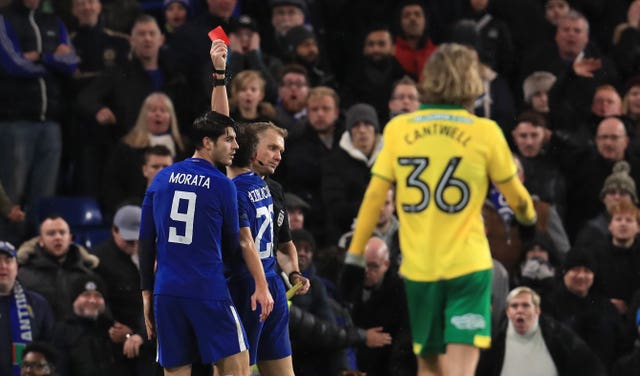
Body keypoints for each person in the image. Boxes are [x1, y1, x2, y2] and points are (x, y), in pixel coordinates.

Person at [344, 44, 536, 376]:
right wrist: (528, 221)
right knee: (459, 370)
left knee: (429, 368)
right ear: (472, 81)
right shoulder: (484, 131)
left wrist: (354, 257)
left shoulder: (399, 129)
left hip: (419, 269)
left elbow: (374, 197)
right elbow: (517, 198)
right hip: (467, 268)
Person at [139, 39, 272, 376]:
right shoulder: (223, 184)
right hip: (207, 289)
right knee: (238, 368)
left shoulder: (161, 178)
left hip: (166, 293)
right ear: (208, 143)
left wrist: (146, 294)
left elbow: (145, 242)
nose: (235, 146)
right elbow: (235, 243)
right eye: (229, 140)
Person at [226, 124, 295, 375]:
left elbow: (245, 242)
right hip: (272, 283)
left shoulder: (230, 190)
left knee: (233, 371)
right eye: (273, 148)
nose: (278, 155)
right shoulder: (262, 185)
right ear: (254, 151)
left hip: (247, 288)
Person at [476, 286, 606, 376]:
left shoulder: (558, 336)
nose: (520, 310)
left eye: (526, 305)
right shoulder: (495, 342)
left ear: (537, 310)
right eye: (514, 306)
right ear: (508, 312)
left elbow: (591, 366)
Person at [346, 237, 415, 376]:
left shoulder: (399, 293)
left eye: (373, 266)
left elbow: (403, 339)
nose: (367, 271)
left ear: (386, 265)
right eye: (364, 265)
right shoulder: (350, 285)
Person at [17, 216, 102, 321]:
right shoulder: (24, 275)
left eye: (62, 233)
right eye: (51, 233)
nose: (58, 237)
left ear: (70, 238)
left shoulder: (87, 273)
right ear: (40, 240)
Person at [53, 275, 128, 376]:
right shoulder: (62, 331)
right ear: (74, 300)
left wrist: (128, 336)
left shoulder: (115, 329)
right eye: (86, 295)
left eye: (97, 295)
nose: (92, 300)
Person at [0, 241, 54, 376]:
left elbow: (51, 349)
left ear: (16, 267)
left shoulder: (38, 304)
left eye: (8, 260)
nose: (3, 266)